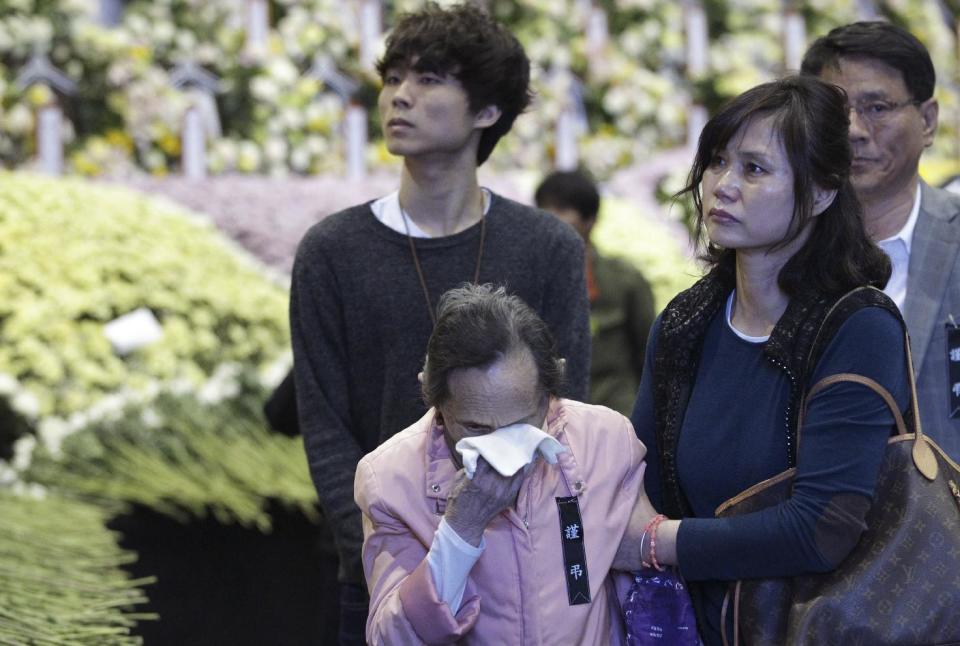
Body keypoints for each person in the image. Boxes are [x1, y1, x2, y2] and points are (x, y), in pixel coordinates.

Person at [289, 4, 590, 642]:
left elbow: (565, 410)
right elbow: (324, 423)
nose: (399, 96)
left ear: (486, 111)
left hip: (519, 565)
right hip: (378, 567)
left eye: (428, 80)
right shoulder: (332, 250)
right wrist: (375, 552)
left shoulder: (547, 247)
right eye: (393, 77)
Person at [624, 76, 910, 645]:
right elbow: (637, 473)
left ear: (823, 192)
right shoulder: (687, 321)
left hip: (819, 626)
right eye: (717, 162)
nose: (722, 186)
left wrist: (655, 543)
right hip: (696, 627)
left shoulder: (857, 326)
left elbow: (821, 527)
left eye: (755, 170)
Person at [355, 284, 645, 644]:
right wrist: (461, 527)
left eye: (520, 425)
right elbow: (391, 638)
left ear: (551, 387)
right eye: (475, 428)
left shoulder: (606, 439)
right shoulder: (388, 480)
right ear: (433, 398)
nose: (501, 447)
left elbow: (640, 574)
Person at [801, 22, 960, 460]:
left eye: (876, 107)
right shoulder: (771, 253)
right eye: (835, 111)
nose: (852, 129)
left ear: (927, 121)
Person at [535, 170, 656, 415]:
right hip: (550, 419)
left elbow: (649, 356)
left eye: (561, 210)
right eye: (543, 209)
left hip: (615, 412)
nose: (548, 220)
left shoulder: (624, 281)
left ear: (589, 219)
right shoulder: (530, 279)